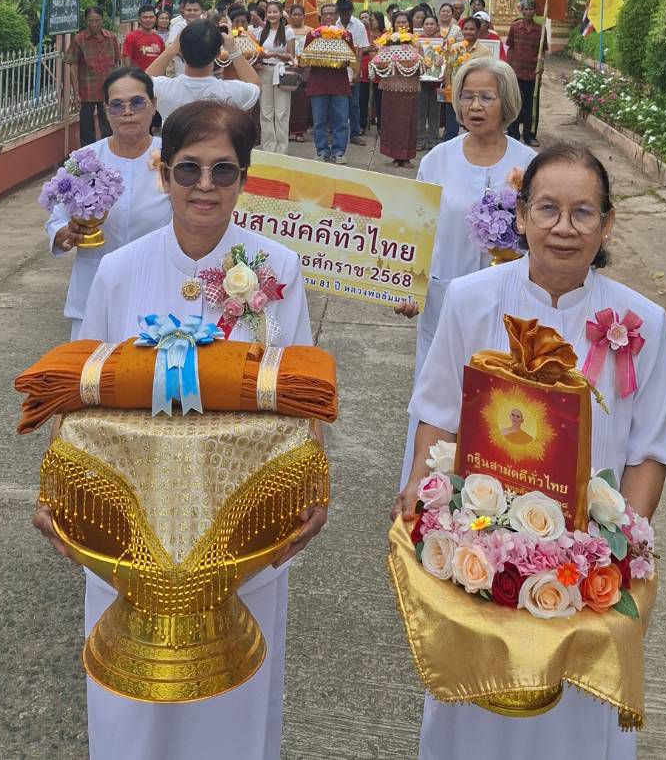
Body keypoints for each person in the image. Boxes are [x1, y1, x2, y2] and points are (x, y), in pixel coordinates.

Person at [35, 100, 326, 760]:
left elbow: (302, 396)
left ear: (244, 178)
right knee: (130, 715)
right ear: (162, 173)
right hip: (130, 533)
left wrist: (313, 488)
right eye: (188, 168)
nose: (205, 185)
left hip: (241, 536)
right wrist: (54, 490)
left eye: (224, 171)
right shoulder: (118, 269)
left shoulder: (276, 268)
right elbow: (76, 393)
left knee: (231, 714)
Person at [395, 143, 666, 760]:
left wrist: (617, 551)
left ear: (607, 224)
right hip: (478, 549)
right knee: (472, 713)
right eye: (547, 209)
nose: (563, 228)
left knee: (572, 724)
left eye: (583, 212)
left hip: (582, 568)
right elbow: (438, 418)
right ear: (519, 216)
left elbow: (648, 452)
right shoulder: (470, 299)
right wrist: (424, 512)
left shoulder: (642, 322)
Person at [395, 55, 535, 452]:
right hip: (443, 298)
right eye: (467, 97)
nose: (475, 106)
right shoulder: (438, 160)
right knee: (437, 399)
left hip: (507, 305)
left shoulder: (529, 164)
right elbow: (414, 230)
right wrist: (407, 286)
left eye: (486, 97)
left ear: (506, 102)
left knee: (498, 402)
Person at [44, 65, 171, 337]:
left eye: (137, 102)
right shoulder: (83, 160)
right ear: (105, 111)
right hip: (93, 292)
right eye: (117, 105)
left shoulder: (173, 160)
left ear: (153, 105)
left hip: (157, 293)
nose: (127, 112)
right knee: (89, 376)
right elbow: (57, 220)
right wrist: (66, 234)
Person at [145, 19, 260, 123]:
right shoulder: (231, 92)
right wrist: (233, 49)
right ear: (218, 54)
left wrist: (171, 50)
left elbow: (142, 82)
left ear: (180, 50)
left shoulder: (164, 88)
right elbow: (255, 85)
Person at [302, 2, 353, 164]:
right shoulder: (312, 35)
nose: (329, 16)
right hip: (318, 83)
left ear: (337, 16)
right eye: (326, 14)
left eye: (332, 14)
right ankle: (322, 151)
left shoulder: (346, 35)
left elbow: (350, 59)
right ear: (321, 17)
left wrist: (339, 59)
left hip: (339, 83)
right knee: (319, 121)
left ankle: (338, 152)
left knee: (341, 120)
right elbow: (305, 58)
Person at [67, 6, 124, 146]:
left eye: (97, 20)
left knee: (108, 123)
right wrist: (75, 92)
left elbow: (117, 63)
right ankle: (87, 154)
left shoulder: (111, 38)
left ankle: (109, 150)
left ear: (102, 20)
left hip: (107, 89)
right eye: (91, 21)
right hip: (87, 89)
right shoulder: (79, 39)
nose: (94, 24)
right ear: (85, 21)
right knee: (86, 125)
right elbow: (73, 65)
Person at [371, 11, 421, 167]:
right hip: (390, 87)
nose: (402, 25)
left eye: (404, 22)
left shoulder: (415, 42)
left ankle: (406, 157)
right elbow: (378, 61)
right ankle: (394, 155)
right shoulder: (385, 41)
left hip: (409, 88)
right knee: (391, 121)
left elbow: (423, 63)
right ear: (393, 25)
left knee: (407, 122)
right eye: (398, 22)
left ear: (409, 25)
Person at [252, 0, 295, 153]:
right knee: (266, 111)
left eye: (275, 11)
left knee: (282, 111)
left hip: (281, 72)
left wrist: (277, 54)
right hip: (265, 72)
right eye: (269, 12)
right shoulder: (260, 32)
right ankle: (268, 147)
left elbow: (292, 56)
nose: (272, 14)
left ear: (281, 13)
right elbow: (256, 53)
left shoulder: (288, 32)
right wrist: (260, 58)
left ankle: (281, 148)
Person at [505, 0, 542, 145]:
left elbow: (542, 52)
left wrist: (541, 70)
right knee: (515, 102)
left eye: (531, 9)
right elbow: (510, 48)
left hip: (533, 73)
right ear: (522, 10)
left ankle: (530, 135)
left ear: (534, 11)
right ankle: (513, 133)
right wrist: (508, 68)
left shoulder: (540, 30)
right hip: (516, 71)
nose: (528, 12)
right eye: (526, 9)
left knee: (531, 106)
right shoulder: (515, 27)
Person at [336, 0, 369, 145]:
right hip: (337, 69)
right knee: (337, 103)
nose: (345, 16)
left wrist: (357, 72)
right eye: (342, 13)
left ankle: (354, 133)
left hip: (353, 68)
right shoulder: (334, 26)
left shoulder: (359, 25)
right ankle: (336, 131)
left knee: (354, 103)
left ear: (351, 12)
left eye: (347, 13)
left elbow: (361, 50)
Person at [441, 16, 480, 140]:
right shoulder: (454, 48)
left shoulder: (484, 52)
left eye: (472, 29)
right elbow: (448, 69)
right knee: (451, 127)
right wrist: (448, 86)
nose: (468, 32)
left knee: (473, 124)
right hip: (454, 91)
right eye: (465, 29)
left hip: (474, 94)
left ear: (478, 31)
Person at [416, 14, 446, 152]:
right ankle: (419, 140)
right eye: (426, 24)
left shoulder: (443, 42)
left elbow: (447, 60)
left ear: (437, 26)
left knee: (435, 113)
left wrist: (442, 62)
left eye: (432, 24)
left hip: (436, 83)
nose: (429, 26)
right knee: (420, 112)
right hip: (421, 81)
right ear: (423, 26)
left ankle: (433, 140)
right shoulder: (417, 41)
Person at [285, 2, 311, 141]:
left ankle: (299, 131)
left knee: (302, 99)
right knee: (289, 98)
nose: (296, 17)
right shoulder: (285, 30)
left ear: (303, 16)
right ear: (290, 16)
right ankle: (287, 130)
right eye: (294, 14)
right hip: (289, 67)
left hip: (305, 68)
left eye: (299, 14)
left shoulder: (310, 31)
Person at [121, 4, 166, 72]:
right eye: (145, 17)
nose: (148, 20)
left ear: (155, 19)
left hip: (156, 80)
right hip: (138, 79)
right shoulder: (131, 37)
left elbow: (163, 62)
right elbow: (126, 60)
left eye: (151, 17)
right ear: (139, 19)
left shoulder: (159, 39)